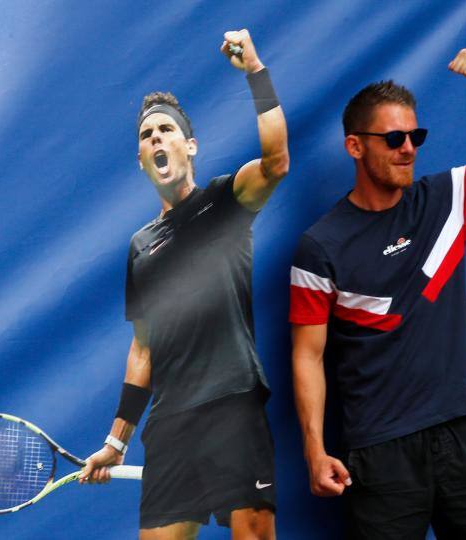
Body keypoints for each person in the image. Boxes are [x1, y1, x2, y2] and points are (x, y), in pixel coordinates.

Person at [290, 49, 466, 539]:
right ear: (355, 146)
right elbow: (308, 355)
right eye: (393, 138)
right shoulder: (320, 245)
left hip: (462, 437)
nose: (408, 148)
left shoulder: (445, 198)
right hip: (381, 454)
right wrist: (314, 448)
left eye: (416, 137)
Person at [79, 29, 288, 540]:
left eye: (166, 129)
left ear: (189, 145)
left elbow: (276, 161)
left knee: (256, 534)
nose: (156, 138)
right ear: (142, 162)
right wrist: (116, 440)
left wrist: (256, 73)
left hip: (232, 402)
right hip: (171, 421)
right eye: (147, 135)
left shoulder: (225, 202)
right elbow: (143, 350)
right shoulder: (140, 247)